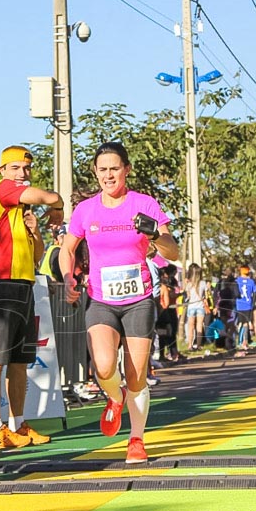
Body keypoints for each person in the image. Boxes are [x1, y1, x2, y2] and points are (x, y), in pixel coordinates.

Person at [59, 141, 179, 464]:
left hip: (139, 300)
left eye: (115, 168)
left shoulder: (145, 204)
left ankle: (136, 439)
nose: (109, 175)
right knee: (103, 365)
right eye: (103, 170)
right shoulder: (86, 210)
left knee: (137, 373)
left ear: (126, 169)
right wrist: (69, 277)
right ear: (95, 173)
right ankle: (115, 396)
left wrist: (155, 234)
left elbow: (173, 252)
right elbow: (67, 249)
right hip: (101, 299)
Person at [0, 145, 63, 449]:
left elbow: (37, 256)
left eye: (26, 169)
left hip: (23, 283)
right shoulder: (0, 189)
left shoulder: (21, 210)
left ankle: (17, 424)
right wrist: (58, 207)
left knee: (18, 362)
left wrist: (37, 231)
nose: (22, 174)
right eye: (15, 168)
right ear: (2, 171)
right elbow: (51, 197)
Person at [183, 263, 209, 351]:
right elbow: (206, 295)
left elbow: (188, 296)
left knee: (190, 326)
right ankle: (198, 345)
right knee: (199, 326)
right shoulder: (203, 283)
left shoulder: (188, 284)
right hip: (200, 306)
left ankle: (190, 345)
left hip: (191, 306)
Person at [233, 265, 256, 354]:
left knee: (240, 323)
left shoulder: (237, 281)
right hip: (248, 305)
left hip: (239, 305)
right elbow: (255, 293)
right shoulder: (251, 281)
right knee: (246, 323)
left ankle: (240, 341)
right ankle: (244, 341)